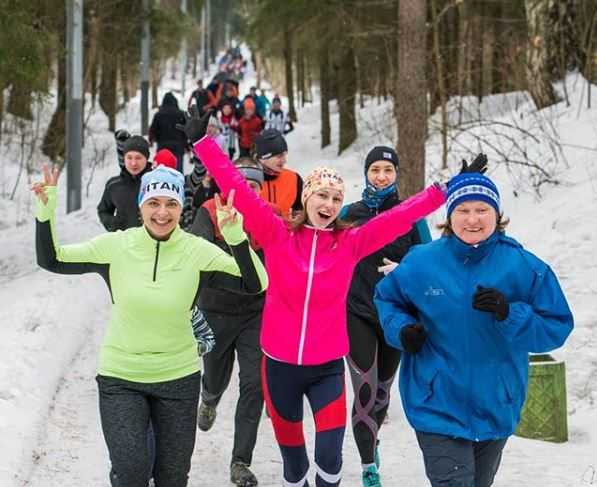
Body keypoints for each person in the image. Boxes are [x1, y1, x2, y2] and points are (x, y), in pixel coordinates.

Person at [180, 111, 452, 486]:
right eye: (322, 195)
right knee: (295, 470)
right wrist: (203, 144)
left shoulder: (350, 243)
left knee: (330, 461)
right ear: (307, 197)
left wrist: (443, 192)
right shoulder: (277, 235)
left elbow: (398, 218)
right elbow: (238, 189)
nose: (329, 203)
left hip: (326, 370)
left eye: (336, 198)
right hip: (279, 369)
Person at [33, 164, 268, 487]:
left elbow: (255, 283)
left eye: (171, 204)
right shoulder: (117, 247)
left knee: (172, 478)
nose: (162, 212)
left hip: (178, 379)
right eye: (154, 203)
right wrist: (44, 216)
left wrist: (236, 239)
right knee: (131, 472)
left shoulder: (196, 251)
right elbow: (52, 259)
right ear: (141, 205)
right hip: (122, 378)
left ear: (180, 208)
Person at [374, 171, 574, 487]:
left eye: (482, 210)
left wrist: (510, 313)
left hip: (496, 403)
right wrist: (402, 330)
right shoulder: (422, 262)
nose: (472, 219)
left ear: (497, 214)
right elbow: (387, 299)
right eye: (463, 210)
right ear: (450, 215)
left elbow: (557, 326)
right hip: (436, 403)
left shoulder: (524, 266)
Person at [339, 146, 432, 487]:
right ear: (366, 173)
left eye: (387, 170)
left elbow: (429, 262)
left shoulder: (412, 215)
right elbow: (325, 254)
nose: (381, 176)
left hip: (394, 315)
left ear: (396, 175)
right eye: (375, 169)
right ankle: (368, 467)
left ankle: (373, 439)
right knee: (364, 390)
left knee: (381, 393)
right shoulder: (350, 213)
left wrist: (405, 269)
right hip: (356, 312)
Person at [191, 158, 267, 487]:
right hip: (215, 311)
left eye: (254, 187)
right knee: (216, 377)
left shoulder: (268, 218)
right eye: (241, 185)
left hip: (256, 313)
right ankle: (209, 398)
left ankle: (240, 461)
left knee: (254, 384)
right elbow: (196, 253)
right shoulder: (209, 212)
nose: (247, 192)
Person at [97, 135, 152, 232]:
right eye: (129, 157)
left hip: (153, 243)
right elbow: (103, 210)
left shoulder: (157, 182)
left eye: (138, 158)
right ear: (124, 158)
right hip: (122, 243)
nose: (133, 163)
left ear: (146, 158)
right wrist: (112, 223)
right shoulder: (114, 185)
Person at [254, 128, 302, 217]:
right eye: (279, 156)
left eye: (284, 155)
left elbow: (300, 213)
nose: (284, 161)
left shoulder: (294, 179)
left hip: (285, 230)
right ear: (263, 158)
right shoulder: (249, 180)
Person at [149, 92, 188, 172]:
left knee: (162, 169)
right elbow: (186, 131)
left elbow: (153, 130)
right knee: (177, 170)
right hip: (178, 146)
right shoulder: (181, 114)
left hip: (163, 145)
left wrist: (152, 140)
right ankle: (178, 183)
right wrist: (187, 145)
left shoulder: (158, 115)